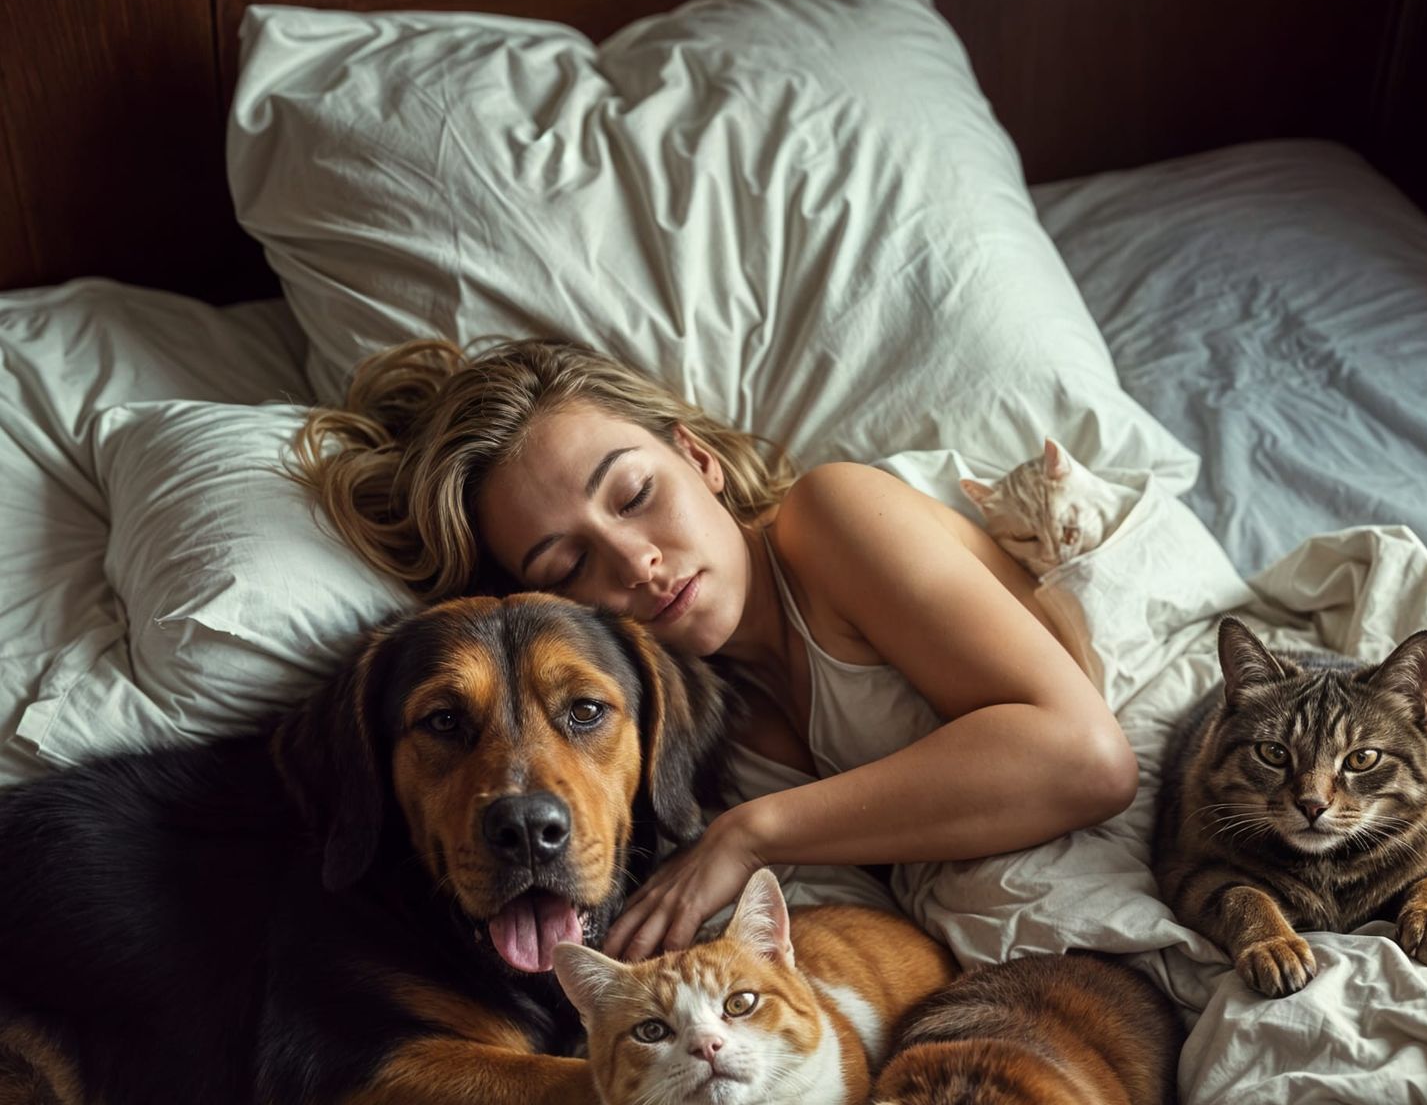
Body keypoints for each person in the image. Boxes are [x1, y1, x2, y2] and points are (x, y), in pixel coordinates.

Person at [293, 336, 1139, 960]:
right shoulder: (666, 728)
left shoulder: (831, 519)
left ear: (698, 457)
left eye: (635, 494)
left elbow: (1086, 757)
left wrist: (750, 835)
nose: (635, 561)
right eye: (568, 561)